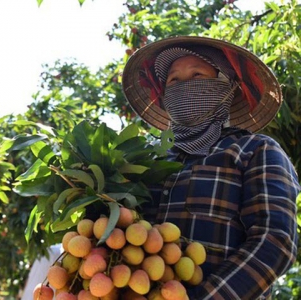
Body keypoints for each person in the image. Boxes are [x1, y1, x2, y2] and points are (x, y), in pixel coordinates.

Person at [122, 36, 300, 299]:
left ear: (226, 87)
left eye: (197, 74)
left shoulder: (255, 150)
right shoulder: (146, 162)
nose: (185, 87)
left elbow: (275, 241)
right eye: (174, 81)